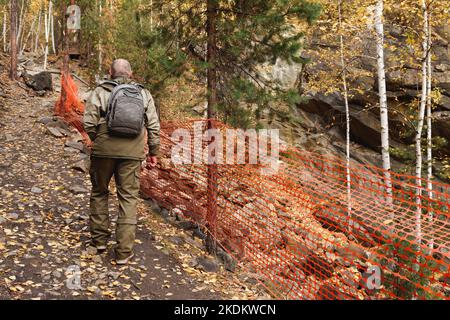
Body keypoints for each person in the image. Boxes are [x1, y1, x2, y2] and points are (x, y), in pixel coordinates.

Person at [83, 59, 160, 265]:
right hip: (133, 152)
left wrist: (99, 139)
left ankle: (99, 242)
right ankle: (123, 252)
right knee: (128, 199)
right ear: (131, 73)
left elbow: (89, 122)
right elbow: (153, 125)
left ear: (110, 73)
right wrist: (153, 151)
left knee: (99, 192)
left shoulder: (100, 91)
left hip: (104, 150)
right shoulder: (143, 93)